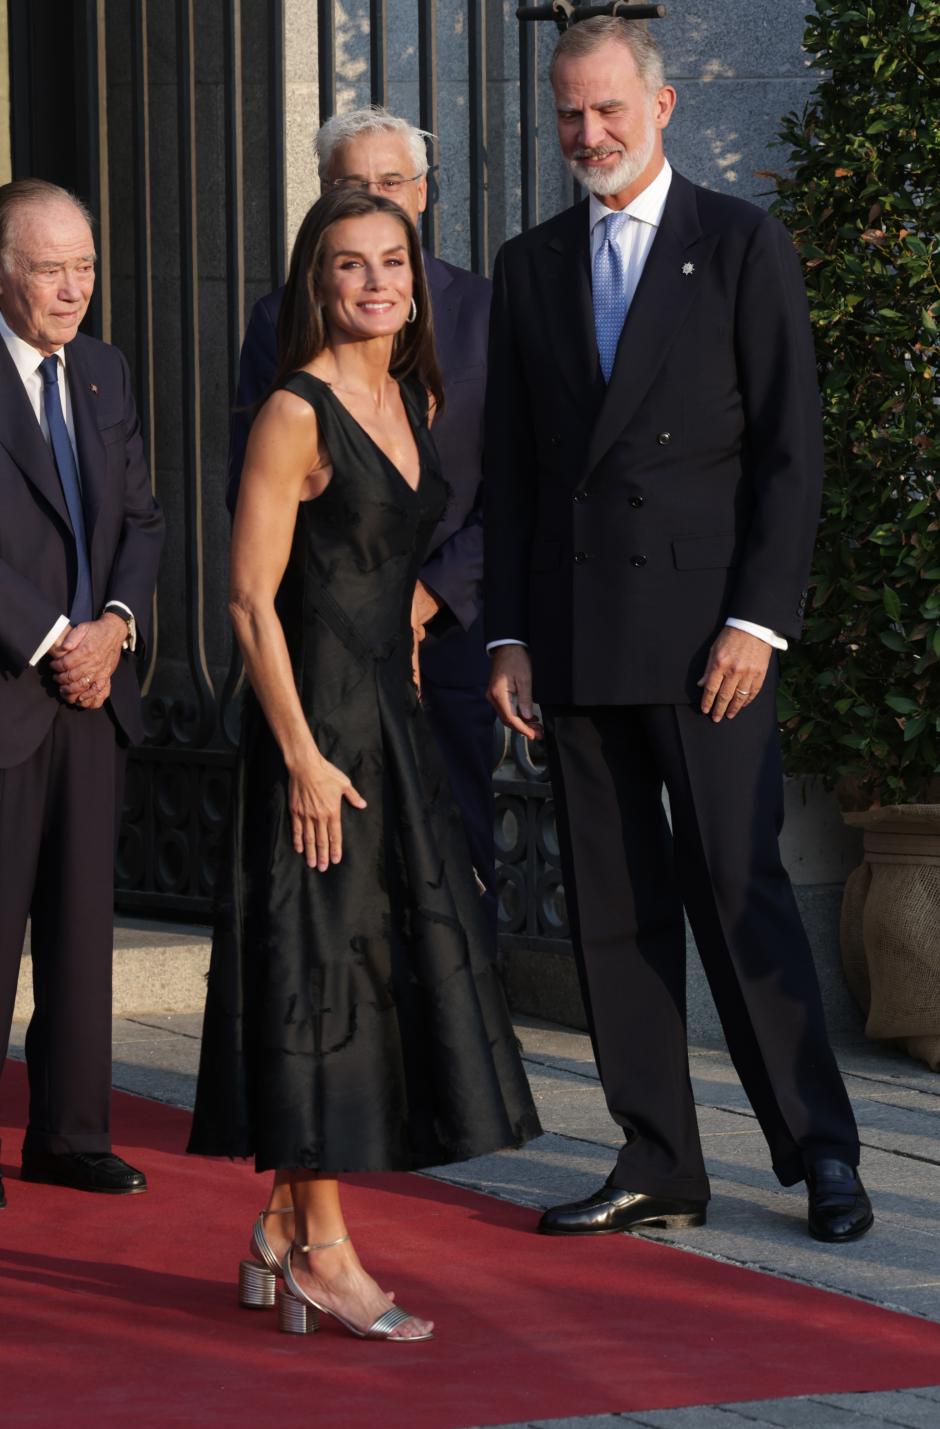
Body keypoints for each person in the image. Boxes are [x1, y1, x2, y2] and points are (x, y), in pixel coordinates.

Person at [485, 18, 872, 1245]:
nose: (585, 135)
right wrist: (505, 635)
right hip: (579, 628)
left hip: (712, 641)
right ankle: (657, 1155)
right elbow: (512, 472)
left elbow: (788, 456)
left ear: (660, 107)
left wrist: (758, 621)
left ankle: (821, 1152)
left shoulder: (740, 242)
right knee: (611, 910)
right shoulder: (530, 262)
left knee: (738, 889)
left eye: (606, 110)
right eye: (565, 115)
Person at [187, 189, 540, 1341]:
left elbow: (392, 568)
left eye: (391, 262)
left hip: (383, 719)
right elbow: (247, 598)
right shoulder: (295, 409)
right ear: (317, 284)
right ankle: (327, 1251)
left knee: (357, 966)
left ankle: (283, 1234)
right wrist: (296, 751)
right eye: (349, 266)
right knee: (320, 978)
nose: (376, 282)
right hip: (316, 725)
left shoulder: (407, 394)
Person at [229, 106, 496, 934]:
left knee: (450, 882)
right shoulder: (278, 325)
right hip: (329, 662)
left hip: (450, 634)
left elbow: (518, 485)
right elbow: (264, 525)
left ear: (422, 194)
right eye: (352, 184)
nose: (374, 194)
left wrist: (427, 600)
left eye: (390, 182)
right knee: (339, 905)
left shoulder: (489, 310)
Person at [0, 179, 164, 1208]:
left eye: (86, 267)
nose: (74, 289)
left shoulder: (102, 370)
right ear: (4, 271)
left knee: (79, 923)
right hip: (12, 688)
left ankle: (69, 1133)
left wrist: (113, 626)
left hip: (93, 692)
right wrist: (54, 637)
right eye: (51, 268)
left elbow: (141, 519)